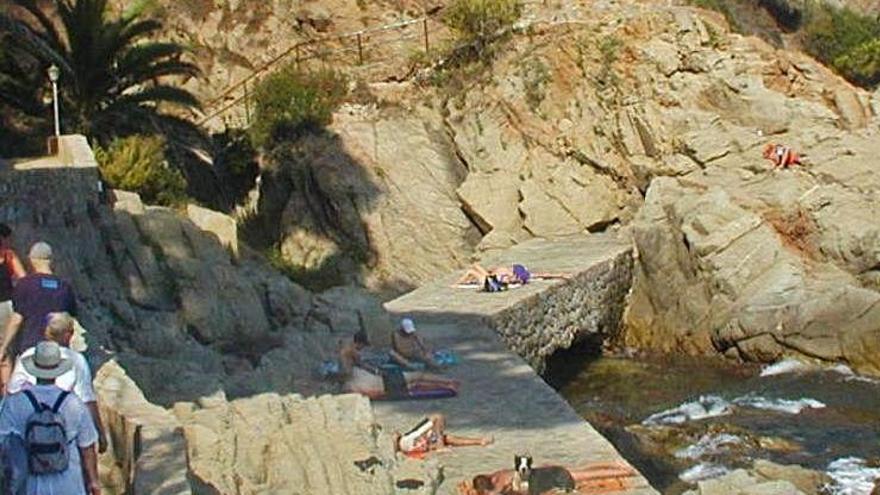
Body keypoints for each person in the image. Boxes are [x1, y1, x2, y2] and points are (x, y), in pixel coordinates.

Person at [0, 341, 101, 495]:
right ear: (58, 369)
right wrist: (93, 481)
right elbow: (87, 447)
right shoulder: (73, 403)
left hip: (29, 486)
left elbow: (3, 441)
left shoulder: (15, 403)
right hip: (69, 485)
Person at [7, 312, 107, 453]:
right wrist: (100, 433)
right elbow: (87, 400)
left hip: (28, 446)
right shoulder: (76, 360)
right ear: (68, 335)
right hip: (64, 447)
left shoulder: (27, 356)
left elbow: (12, 392)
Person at [0, 242, 77, 363]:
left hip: (31, 348)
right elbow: (69, 320)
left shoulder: (25, 284)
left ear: (32, 259)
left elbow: (17, 319)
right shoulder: (65, 287)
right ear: (51, 260)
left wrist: (4, 347)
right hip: (58, 351)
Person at [339, 330, 458, 398]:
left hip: (380, 382)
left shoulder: (353, 377)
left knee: (415, 381)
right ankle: (448, 382)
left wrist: (375, 371)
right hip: (384, 383)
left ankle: (448, 383)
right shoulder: (352, 360)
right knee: (417, 378)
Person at [458, 462, 636, 495]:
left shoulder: (500, 485)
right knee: (579, 471)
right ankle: (613, 465)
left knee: (583, 476)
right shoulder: (498, 475)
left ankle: (623, 472)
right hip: (542, 471)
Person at [392, 414, 493, 458]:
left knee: (445, 438)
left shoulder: (409, 440)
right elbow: (436, 417)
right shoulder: (406, 439)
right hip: (409, 442)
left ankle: (480, 441)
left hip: (414, 444)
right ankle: (440, 446)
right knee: (438, 418)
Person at [0, 223, 26, 388]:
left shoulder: (8, 255)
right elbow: (23, 278)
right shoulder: (8, 256)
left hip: (5, 305)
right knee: (6, 350)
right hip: (5, 305)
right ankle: (7, 391)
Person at [455, 263, 571, 288]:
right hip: (492, 282)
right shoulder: (521, 275)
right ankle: (461, 282)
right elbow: (543, 274)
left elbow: (543, 274)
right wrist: (561, 275)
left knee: (472, 270)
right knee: (474, 270)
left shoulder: (505, 272)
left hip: (492, 283)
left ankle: (456, 284)